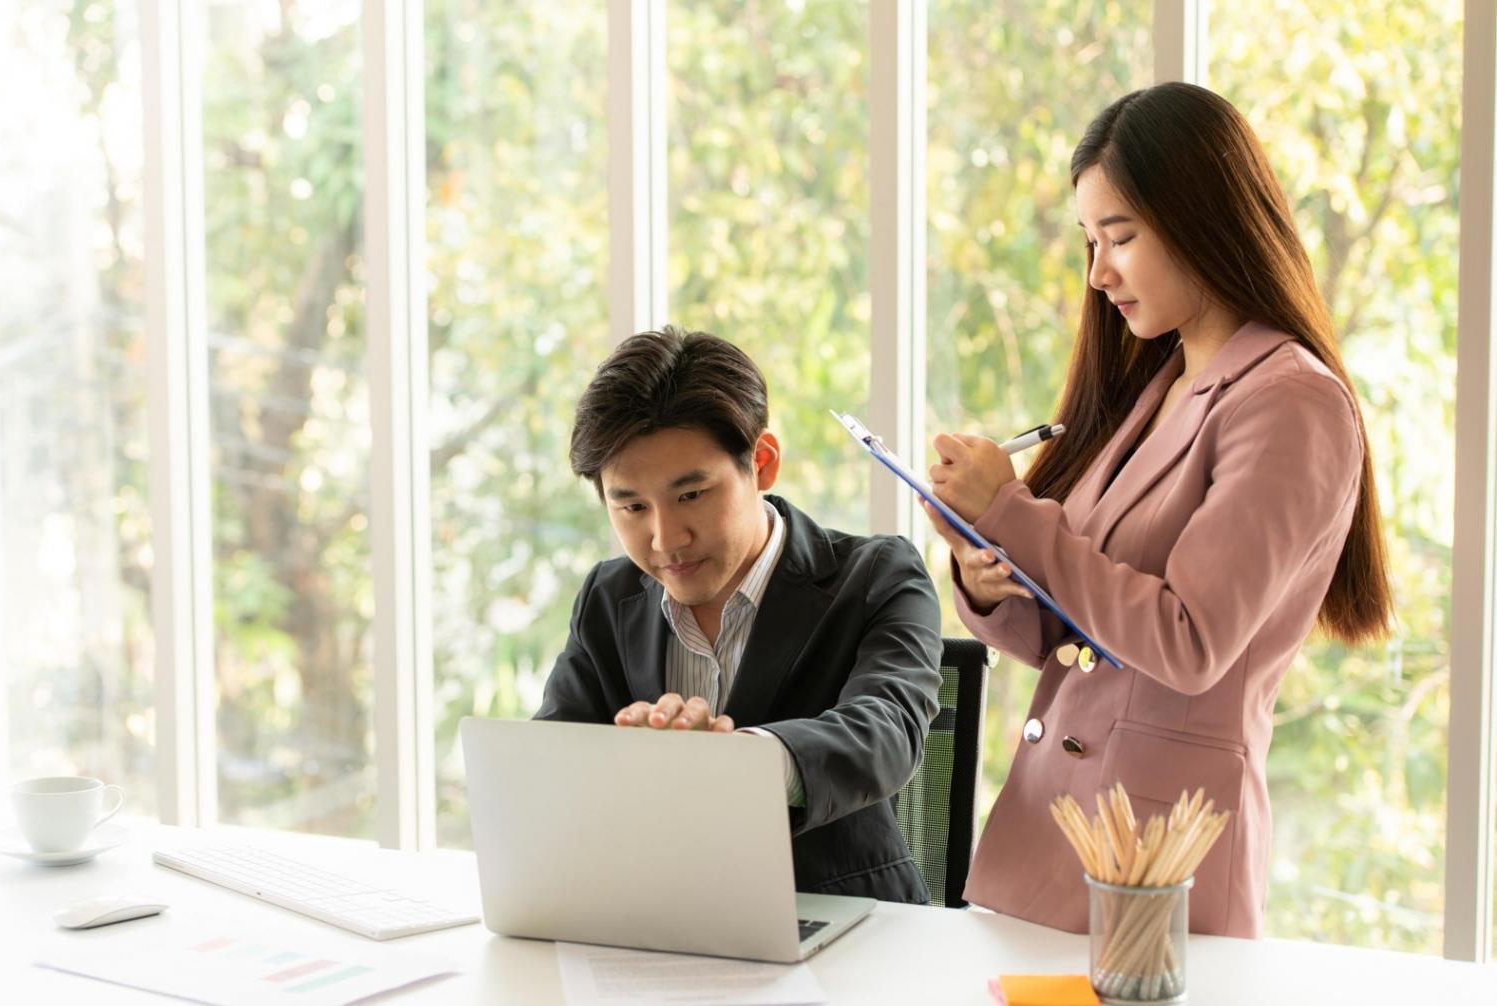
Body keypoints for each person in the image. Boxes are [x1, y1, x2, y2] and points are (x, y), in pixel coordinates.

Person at [924, 82, 1392, 938]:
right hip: (1049, 843)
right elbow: (1073, 641)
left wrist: (1016, 513)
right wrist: (985, 571)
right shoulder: (1158, 386)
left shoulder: (1290, 402)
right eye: (1088, 243)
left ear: (1201, 220)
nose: (1097, 274)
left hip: (1156, 867)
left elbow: (1186, 641)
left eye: (1120, 238)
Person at [536, 326, 944, 903]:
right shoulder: (609, 595)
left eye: (691, 495)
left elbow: (887, 731)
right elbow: (550, 760)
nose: (665, 539)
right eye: (630, 506)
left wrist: (743, 764)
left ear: (763, 462)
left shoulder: (878, 575)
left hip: (839, 923)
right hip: (654, 919)